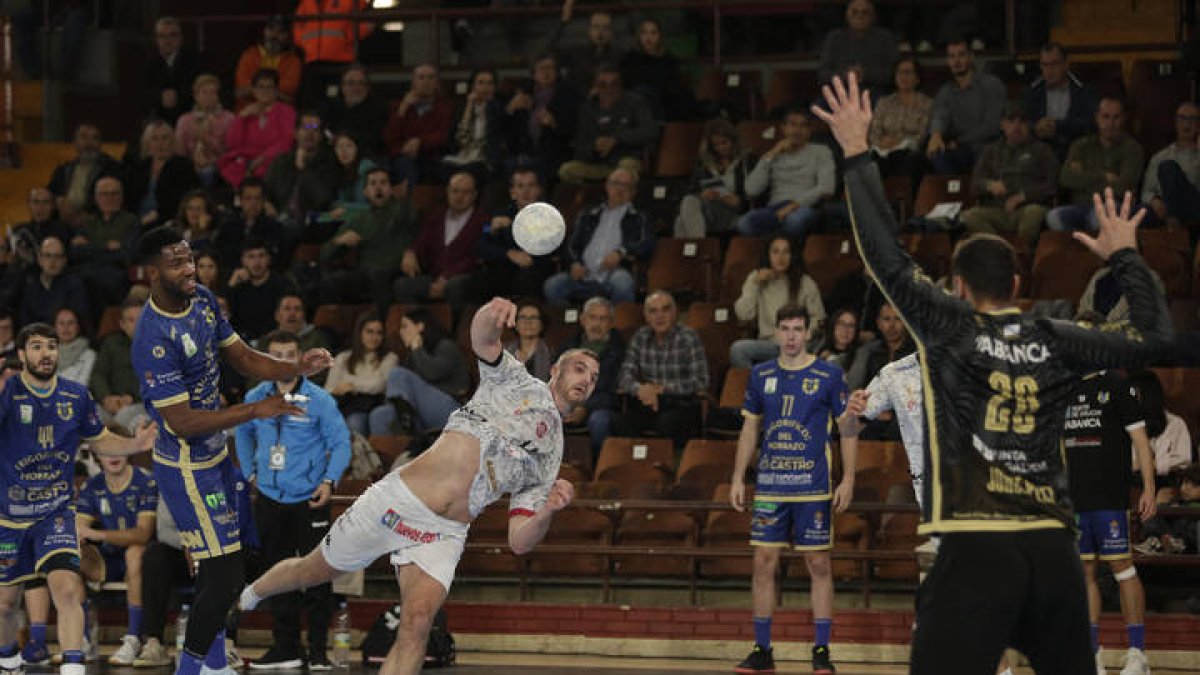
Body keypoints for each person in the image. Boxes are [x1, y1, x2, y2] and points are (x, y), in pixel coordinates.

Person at [813, 71, 1172, 673]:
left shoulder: (950, 329)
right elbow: (1153, 337)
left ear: (957, 286)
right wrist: (1128, 257)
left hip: (976, 541)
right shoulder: (1055, 338)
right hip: (1052, 544)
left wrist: (856, 154)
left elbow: (885, 259)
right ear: (1015, 286)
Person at [238, 298, 599, 675]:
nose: (587, 379)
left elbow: (519, 541)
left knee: (417, 623)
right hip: (398, 502)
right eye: (580, 368)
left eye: (593, 377)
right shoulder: (515, 379)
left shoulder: (550, 454)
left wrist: (547, 512)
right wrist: (490, 313)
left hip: (443, 532)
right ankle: (249, 595)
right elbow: (483, 340)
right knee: (311, 571)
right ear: (555, 369)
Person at [129, 225, 333, 675]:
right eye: (176, 262)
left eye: (190, 258)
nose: (189, 268)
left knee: (228, 564)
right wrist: (254, 410)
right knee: (224, 575)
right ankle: (191, 668)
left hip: (216, 455)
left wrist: (294, 365)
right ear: (150, 273)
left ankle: (215, 664)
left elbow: (241, 355)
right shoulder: (151, 337)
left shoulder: (200, 298)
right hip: (184, 465)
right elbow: (180, 422)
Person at [0, 322, 156, 675]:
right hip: (8, 517)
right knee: (6, 604)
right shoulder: (8, 393)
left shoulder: (75, 396)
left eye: (51, 346)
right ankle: (8, 662)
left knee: (68, 589)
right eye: (37, 347)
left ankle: (73, 669)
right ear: (21, 355)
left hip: (54, 513)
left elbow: (99, 439)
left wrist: (136, 444)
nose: (46, 353)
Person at [729, 305, 862, 675]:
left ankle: (821, 652)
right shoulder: (760, 375)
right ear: (775, 334)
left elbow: (848, 428)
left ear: (807, 333)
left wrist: (848, 478)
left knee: (818, 563)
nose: (790, 336)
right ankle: (762, 650)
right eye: (784, 328)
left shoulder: (829, 374)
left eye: (797, 329)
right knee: (762, 563)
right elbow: (750, 430)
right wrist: (739, 476)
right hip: (770, 485)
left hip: (813, 486)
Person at [235, 329, 350, 670]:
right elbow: (242, 431)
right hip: (270, 498)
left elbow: (341, 442)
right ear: (265, 360)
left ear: (300, 359)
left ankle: (317, 651)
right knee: (275, 574)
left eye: (289, 355)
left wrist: (329, 481)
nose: (282, 362)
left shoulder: (320, 400)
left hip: (310, 497)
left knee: (316, 573)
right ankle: (285, 648)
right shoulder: (256, 396)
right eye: (275, 355)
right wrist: (250, 475)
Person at [1061, 366, 1157, 675]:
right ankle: (1092, 654)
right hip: (1076, 500)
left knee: (1123, 568)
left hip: (1110, 499)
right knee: (1084, 573)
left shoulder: (1117, 384)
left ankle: (1137, 654)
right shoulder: (1066, 388)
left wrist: (1148, 489)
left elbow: (1141, 441)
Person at [75, 454, 158, 666]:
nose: (113, 455)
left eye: (119, 448)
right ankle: (83, 639)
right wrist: (82, 538)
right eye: (106, 451)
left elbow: (143, 534)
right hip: (108, 558)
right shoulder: (92, 486)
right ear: (97, 456)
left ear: (129, 451)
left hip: (143, 558)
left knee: (135, 552)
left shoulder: (146, 482)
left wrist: (98, 535)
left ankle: (133, 639)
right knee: (71, 555)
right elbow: (78, 529)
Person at [542, 167, 654, 305]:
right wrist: (575, 263)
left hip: (613, 274)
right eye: (615, 184)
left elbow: (646, 243)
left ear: (633, 192)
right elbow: (572, 244)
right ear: (607, 186)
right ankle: (575, 323)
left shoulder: (639, 216)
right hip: (584, 273)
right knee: (553, 285)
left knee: (623, 283)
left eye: (625, 186)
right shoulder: (588, 214)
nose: (619, 190)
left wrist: (621, 253)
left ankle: (618, 324)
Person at [614, 290, 709, 449]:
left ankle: (667, 468)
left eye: (665, 309)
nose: (660, 316)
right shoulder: (640, 337)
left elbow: (701, 381)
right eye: (653, 311)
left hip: (682, 404)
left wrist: (662, 389)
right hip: (648, 402)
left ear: (675, 312)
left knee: (667, 423)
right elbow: (625, 375)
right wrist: (640, 389)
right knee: (620, 423)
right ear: (646, 316)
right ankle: (636, 468)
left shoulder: (688, 337)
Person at [959, 101, 1060, 247]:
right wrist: (989, 185)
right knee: (969, 216)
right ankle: (999, 250)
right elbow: (974, 185)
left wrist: (1023, 196)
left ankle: (1021, 255)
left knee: (1033, 214)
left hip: (1028, 208)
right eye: (1011, 121)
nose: (1016, 127)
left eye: (1022, 122)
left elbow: (1053, 184)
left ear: (1029, 125)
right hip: (997, 210)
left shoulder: (1041, 150)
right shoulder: (991, 151)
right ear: (1002, 125)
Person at [319, 167, 420, 312]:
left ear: (391, 189)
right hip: (365, 273)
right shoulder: (359, 219)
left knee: (378, 275)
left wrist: (411, 251)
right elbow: (324, 254)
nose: (378, 188)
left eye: (383, 183)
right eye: (373, 184)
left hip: (395, 270)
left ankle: (382, 326)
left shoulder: (403, 210)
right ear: (365, 191)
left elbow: (421, 233)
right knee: (330, 282)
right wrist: (339, 242)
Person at [392, 171, 487, 313]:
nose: (459, 196)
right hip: (435, 277)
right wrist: (410, 252)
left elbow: (476, 256)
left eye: (465, 192)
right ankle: (417, 322)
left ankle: (456, 331)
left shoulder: (483, 221)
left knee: (456, 286)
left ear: (474, 195)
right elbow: (421, 242)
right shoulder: (436, 217)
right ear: (448, 191)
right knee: (401, 285)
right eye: (455, 191)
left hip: (464, 277)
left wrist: (447, 277)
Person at [1048, 96, 1145, 233]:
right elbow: (1066, 178)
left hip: (1112, 207)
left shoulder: (1132, 149)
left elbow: (1123, 186)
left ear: (1123, 119)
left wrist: (1083, 178)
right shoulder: (1081, 145)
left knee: (1099, 218)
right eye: (1105, 117)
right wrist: (1103, 176)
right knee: (1053, 217)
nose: (1110, 123)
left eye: (1116, 117)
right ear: (1097, 118)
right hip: (1080, 206)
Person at [739, 106, 836, 239]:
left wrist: (794, 205)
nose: (797, 131)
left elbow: (827, 188)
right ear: (783, 128)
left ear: (810, 130)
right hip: (775, 209)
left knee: (795, 221)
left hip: (805, 207)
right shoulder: (773, 154)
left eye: (803, 126)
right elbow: (751, 190)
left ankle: (778, 246)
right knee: (744, 223)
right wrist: (772, 153)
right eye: (793, 125)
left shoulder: (821, 151)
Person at [371, 307, 470, 437]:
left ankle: (407, 424)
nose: (400, 332)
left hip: (451, 410)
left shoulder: (446, 346)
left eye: (404, 326)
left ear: (420, 327)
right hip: (421, 410)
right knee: (379, 415)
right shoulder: (414, 355)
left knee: (397, 374)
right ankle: (401, 451)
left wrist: (417, 348)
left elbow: (431, 373)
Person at [731, 235, 825, 369]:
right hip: (770, 344)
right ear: (768, 255)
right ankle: (757, 385)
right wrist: (755, 284)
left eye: (786, 252)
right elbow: (744, 314)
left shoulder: (805, 282)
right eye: (775, 252)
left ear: (792, 256)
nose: (780, 257)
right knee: (738, 349)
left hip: (798, 343)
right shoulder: (755, 279)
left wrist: (801, 337)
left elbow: (818, 318)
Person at [557, 67, 657, 185]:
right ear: (595, 87)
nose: (608, 90)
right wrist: (595, 147)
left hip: (626, 159)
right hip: (597, 164)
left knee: (626, 169)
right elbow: (580, 145)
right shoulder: (587, 109)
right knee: (567, 170)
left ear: (621, 86)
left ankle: (622, 201)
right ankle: (589, 200)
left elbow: (649, 131)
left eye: (614, 84)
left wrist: (616, 139)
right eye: (603, 85)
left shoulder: (635, 103)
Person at [926, 39, 1007, 175]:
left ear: (971, 57)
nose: (956, 61)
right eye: (952, 56)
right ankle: (953, 195)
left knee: (985, 154)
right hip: (956, 149)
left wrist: (959, 142)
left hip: (985, 147)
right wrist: (936, 135)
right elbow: (940, 114)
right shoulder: (946, 91)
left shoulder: (991, 85)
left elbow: (992, 126)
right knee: (936, 154)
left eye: (961, 55)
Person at [557, 296, 625, 457]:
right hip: (566, 404)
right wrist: (567, 405)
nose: (597, 324)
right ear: (582, 320)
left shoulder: (620, 351)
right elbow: (556, 380)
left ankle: (596, 470)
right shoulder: (567, 347)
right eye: (592, 317)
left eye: (603, 319)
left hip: (599, 407)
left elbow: (612, 391)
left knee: (599, 421)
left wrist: (585, 407)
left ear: (612, 323)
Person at [475, 168, 557, 300]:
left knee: (526, 279)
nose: (526, 191)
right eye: (520, 186)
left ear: (539, 190)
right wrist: (507, 251)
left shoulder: (549, 216)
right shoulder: (500, 214)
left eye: (531, 185)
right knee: (480, 280)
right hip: (504, 266)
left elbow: (551, 250)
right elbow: (480, 246)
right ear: (513, 193)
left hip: (535, 268)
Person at [501, 54, 581, 180]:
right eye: (541, 69)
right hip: (524, 152)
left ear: (557, 72)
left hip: (555, 152)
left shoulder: (568, 95)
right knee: (508, 167)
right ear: (534, 73)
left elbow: (573, 130)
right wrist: (510, 109)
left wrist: (554, 124)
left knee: (541, 169)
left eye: (550, 68)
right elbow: (505, 129)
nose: (545, 73)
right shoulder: (524, 93)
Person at [674, 118, 756, 238]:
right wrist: (702, 195)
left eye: (724, 143)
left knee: (681, 221)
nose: (720, 148)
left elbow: (756, 195)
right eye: (716, 145)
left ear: (733, 141)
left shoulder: (747, 161)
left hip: (732, 213)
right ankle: (699, 245)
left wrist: (739, 202)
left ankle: (696, 249)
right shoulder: (704, 165)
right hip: (708, 210)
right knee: (688, 202)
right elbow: (691, 191)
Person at [220, 69, 297, 189]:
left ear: (276, 90)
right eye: (260, 87)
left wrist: (262, 158)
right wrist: (242, 118)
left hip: (273, 162)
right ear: (254, 90)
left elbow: (287, 142)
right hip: (246, 161)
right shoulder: (247, 111)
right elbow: (232, 144)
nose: (265, 91)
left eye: (269, 87)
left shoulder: (287, 111)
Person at [264, 110, 340, 229]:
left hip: (311, 223)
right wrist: (266, 203)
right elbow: (265, 191)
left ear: (320, 136)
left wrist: (303, 168)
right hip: (278, 217)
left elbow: (323, 199)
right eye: (305, 128)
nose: (309, 133)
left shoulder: (330, 163)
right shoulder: (281, 161)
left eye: (315, 129)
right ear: (296, 133)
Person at [325, 312, 397, 437]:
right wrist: (342, 388)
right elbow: (330, 389)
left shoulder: (390, 358)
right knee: (349, 421)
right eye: (369, 332)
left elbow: (379, 385)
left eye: (379, 333)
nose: (374, 337)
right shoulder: (343, 358)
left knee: (364, 419)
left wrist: (349, 384)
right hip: (348, 406)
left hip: (375, 406)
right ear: (360, 333)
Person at [1128, 370, 1194, 505]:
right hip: (1133, 485)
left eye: (1134, 394)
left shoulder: (1175, 424)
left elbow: (1184, 459)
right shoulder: (1127, 424)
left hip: (1168, 483)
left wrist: (1154, 464)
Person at [383, 63, 453, 189]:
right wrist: (402, 110)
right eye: (421, 77)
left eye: (431, 78)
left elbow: (443, 135)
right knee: (406, 167)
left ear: (437, 83)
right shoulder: (398, 107)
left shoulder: (443, 108)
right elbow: (390, 138)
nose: (426, 82)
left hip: (431, 155)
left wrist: (420, 141)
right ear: (413, 82)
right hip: (402, 155)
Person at [72, 176, 138, 308]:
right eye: (104, 194)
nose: (109, 198)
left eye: (114, 194)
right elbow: (75, 253)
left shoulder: (131, 221)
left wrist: (89, 246)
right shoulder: (88, 223)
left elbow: (126, 255)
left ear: (121, 196)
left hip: (114, 274)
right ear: (96, 198)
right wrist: (106, 246)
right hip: (85, 271)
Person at [1024, 42, 1098, 160]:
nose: (1049, 70)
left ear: (1066, 64)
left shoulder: (1084, 91)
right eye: (1045, 65)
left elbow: (1092, 124)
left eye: (1054, 64)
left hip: (1076, 153)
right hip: (1040, 154)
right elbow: (1022, 123)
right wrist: (1035, 128)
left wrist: (1058, 127)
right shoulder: (1031, 92)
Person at [46, 123, 123, 229]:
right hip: (63, 222)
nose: (89, 143)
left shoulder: (112, 169)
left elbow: (116, 200)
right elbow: (48, 195)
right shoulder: (63, 170)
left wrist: (86, 217)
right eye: (84, 137)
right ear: (75, 142)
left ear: (100, 143)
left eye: (94, 138)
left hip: (97, 223)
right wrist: (57, 202)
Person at [91, 297, 149, 434]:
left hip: (142, 404)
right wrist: (106, 398)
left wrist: (131, 397)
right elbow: (98, 374)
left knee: (124, 416)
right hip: (110, 404)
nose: (136, 325)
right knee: (88, 413)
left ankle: (116, 451)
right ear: (122, 324)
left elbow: (158, 382)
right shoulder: (111, 343)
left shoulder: (159, 347)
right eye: (130, 320)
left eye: (140, 319)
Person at [125, 120, 199, 229]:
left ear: (172, 141)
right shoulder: (140, 166)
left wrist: (158, 214)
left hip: (167, 220)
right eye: (155, 139)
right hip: (138, 218)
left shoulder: (182, 166)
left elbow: (183, 199)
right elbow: (130, 197)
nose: (160, 143)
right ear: (147, 143)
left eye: (164, 138)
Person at [618, 18, 695, 122]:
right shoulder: (630, 59)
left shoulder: (668, 60)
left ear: (660, 36)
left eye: (653, 33)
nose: (648, 37)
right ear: (639, 36)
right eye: (644, 33)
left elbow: (672, 85)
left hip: (664, 103)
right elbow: (628, 84)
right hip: (638, 104)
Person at [1141, 101, 1200, 234]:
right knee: (1138, 213)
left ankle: (1173, 223)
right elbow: (1146, 191)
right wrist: (1154, 201)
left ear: (1198, 124)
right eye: (1182, 118)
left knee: (1168, 168)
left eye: (1192, 119)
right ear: (1176, 122)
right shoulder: (1160, 156)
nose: (1187, 123)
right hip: (1162, 207)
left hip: (1192, 204)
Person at [440, 68, 506, 186]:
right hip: (462, 156)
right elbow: (461, 140)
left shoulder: (499, 109)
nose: (485, 87)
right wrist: (469, 107)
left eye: (490, 83)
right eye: (481, 83)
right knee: (443, 169)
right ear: (473, 86)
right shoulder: (462, 108)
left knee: (472, 171)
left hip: (484, 159)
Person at [818, 0, 898, 93]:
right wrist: (847, 75)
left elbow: (895, 73)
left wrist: (866, 74)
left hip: (877, 92)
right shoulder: (834, 38)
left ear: (873, 16)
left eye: (865, 12)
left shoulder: (885, 38)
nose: (860, 16)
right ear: (847, 16)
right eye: (854, 12)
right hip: (841, 92)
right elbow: (822, 74)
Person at [226, 239, 298, 342]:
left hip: (274, 341)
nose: (257, 262)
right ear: (243, 260)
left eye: (261, 256)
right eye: (251, 257)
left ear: (269, 259)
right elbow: (226, 316)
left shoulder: (283, 285)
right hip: (242, 342)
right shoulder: (236, 286)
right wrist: (231, 286)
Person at [14, 235, 89, 329]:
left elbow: (76, 322)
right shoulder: (29, 285)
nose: (53, 261)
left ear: (64, 261)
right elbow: (24, 320)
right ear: (39, 259)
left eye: (58, 256)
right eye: (48, 256)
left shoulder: (74, 285)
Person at [214, 178, 286, 273]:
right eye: (248, 198)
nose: (253, 203)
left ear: (264, 200)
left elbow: (276, 259)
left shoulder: (274, 227)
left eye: (257, 198)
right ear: (240, 200)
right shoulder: (228, 226)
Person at [320, 64, 389, 160]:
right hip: (332, 155)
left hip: (367, 157)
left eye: (361, 83)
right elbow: (324, 131)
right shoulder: (329, 107)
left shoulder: (378, 109)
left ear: (368, 88)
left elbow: (375, 139)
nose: (356, 88)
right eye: (350, 83)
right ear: (342, 87)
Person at [234, 16, 302, 111]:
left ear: (288, 36)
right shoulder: (249, 55)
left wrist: (254, 90)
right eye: (270, 29)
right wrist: (276, 93)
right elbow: (242, 84)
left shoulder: (293, 61)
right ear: (264, 31)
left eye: (280, 32)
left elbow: (289, 88)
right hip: (247, 111)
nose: (274, 35)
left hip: (279, 113)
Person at [145, 17, 203, 126]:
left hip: (188, 118)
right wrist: (160, 97)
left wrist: (178, 97)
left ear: (181, 38)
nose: (167, 40)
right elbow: (141, 92)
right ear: (156, 39)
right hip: (157, 119)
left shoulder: (195, 61)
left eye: (172, 35)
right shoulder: (147, 62)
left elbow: (200, 88)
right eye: (162, 36)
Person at [846, 303, 913, 391]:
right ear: (879, 323)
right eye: (886, 319)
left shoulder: (915, 354)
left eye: (898, 319)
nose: (892, 326)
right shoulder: (870, 353)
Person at [175, 75, 236, 163]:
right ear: (196, 96)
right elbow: (179, 152)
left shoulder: (229, 118)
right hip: (191, 166)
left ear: (218, 96)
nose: (209, 96)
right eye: (204, 92)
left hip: (220, 165)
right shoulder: (185, 120)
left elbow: (230, 152)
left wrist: (206, 141)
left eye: (213, 92)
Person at [505, 302, 553, 381]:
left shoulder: (552, 355)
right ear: (516, 324)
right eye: (523, 317)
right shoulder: (504, 353)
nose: (528, 322)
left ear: (541, 325)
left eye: (534, 317)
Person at [53, 307, 95, 387]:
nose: (66, 327)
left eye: (71, 323)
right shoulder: (45, 353)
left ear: (78, 327)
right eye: (61, 323)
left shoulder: (90, 355)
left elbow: (82, 386)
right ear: (54, 328)